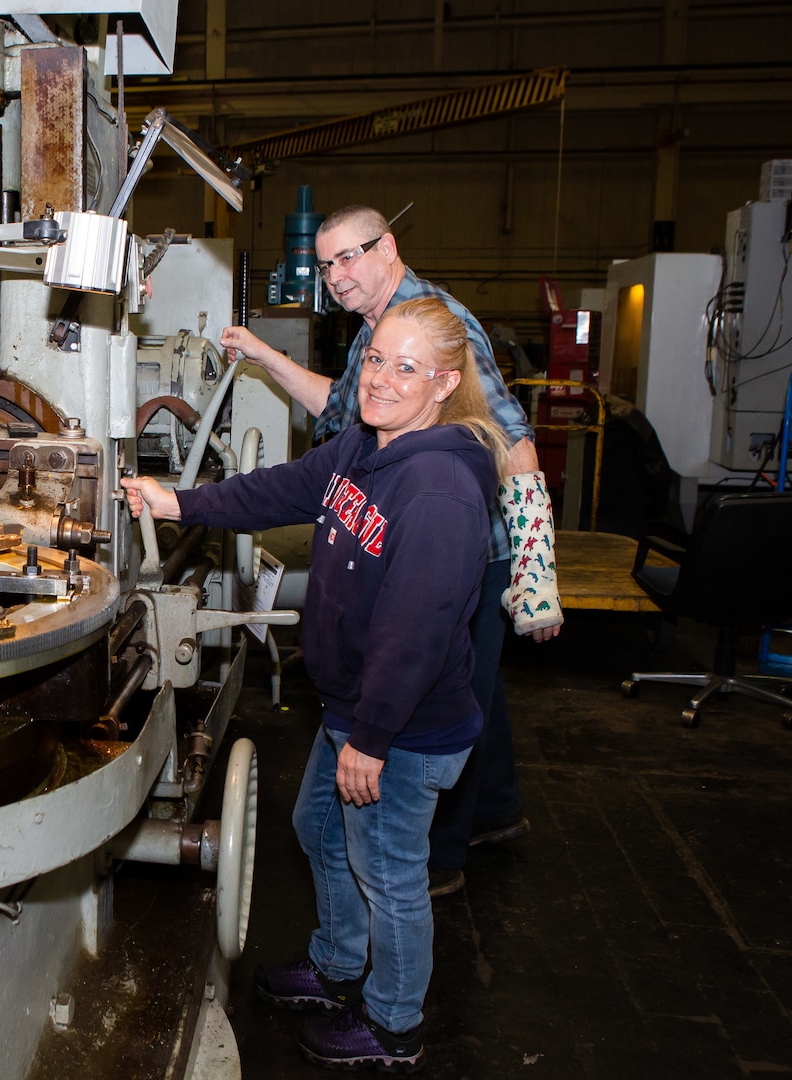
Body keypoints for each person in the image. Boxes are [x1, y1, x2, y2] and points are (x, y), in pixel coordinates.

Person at [122, 297, 508, 1071]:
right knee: (319, 833)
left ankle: (394, 1027)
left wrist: (371, 738)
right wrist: (179, 502)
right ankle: (337, 968)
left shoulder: (438, 485)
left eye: (406, 368)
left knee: (389, 873)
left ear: (443, 383)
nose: (381, 379)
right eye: (374, 360)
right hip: (352, 712)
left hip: (399, 728)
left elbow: (419, 632)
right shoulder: (364, 447)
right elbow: (282, 489)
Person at [220, 205, 564, 897]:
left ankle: (435, 863)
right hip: (409, 531)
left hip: (457, 543)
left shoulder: (436, 324)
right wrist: (266, 357)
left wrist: (536, 570)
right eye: (326, 264)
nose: (337, 276)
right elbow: (343, 412)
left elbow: (514, 439)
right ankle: (496, 812)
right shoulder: (371, 334)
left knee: (438, 687)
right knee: (473, 683)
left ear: (390, 248)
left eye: (351, 256)